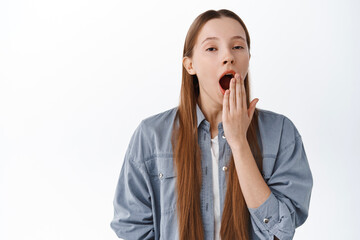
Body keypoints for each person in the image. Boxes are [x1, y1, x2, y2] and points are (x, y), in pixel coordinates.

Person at [110, 9, 313, 240]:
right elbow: (130, 227)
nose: (228, 57)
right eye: (211, 49)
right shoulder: (150, 136)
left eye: (238, 46)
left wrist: (238, 143)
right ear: (190, 65)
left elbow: (280, 231)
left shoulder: (281, 133)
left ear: (248, 57)